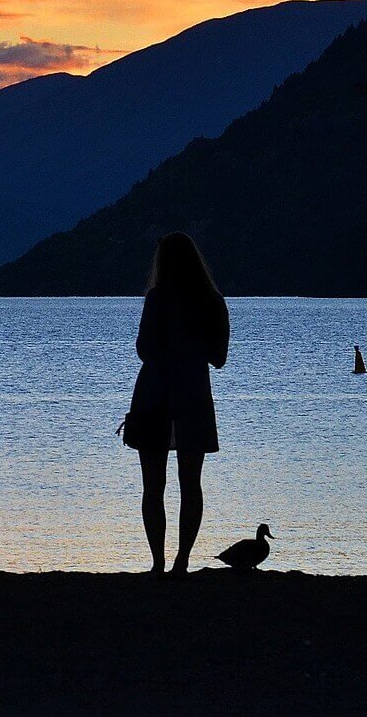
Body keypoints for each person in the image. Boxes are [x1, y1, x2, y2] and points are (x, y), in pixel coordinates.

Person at [122, 232, 230, 576]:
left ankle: (158, 562)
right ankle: (182, 560)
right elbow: (220, 357)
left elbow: (143, 349)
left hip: (154, 394)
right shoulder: (212, 301)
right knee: (190, 483)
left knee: (153, 486)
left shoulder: (157, 298)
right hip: (194, 395)